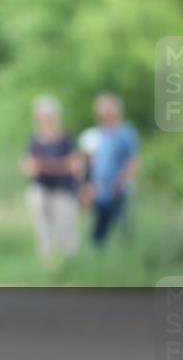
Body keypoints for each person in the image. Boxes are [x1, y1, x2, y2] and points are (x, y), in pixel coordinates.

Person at [20, 95, 79, 263]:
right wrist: (51, 165)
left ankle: (68, 261)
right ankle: (48, 261)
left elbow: (74, 164)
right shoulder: (34, 139)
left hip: (63, 188)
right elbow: (28, 165)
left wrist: (50, 165)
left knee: (65, 224)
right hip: (41, 187)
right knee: (43, 226)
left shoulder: (66, 138)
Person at [86, 93, 140, 246]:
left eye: (109, 109)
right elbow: (91, 163)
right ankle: (99, 256)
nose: (105, 113)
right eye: (102, 109)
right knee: (99, 228)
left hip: (119, 188)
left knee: (121, 225)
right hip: (100, 189)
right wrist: (90, 185)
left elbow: (133, 160)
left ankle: (126, 253)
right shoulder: (96, 134)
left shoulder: (125, 132)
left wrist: (123, 180)